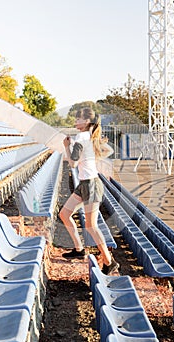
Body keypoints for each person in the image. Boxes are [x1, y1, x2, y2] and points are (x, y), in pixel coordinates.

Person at [59, 107, 119, 275]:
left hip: (91, 185)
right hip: (84, 184)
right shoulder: (90, 137)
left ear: (86, 122)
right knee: (64, 214)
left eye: (78, 119)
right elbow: (108, 150)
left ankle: (109, 262)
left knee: (91, 226)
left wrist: (66, 146)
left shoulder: (81, 137)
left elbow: (73, 163)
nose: (75, 121)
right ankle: (79, 249)